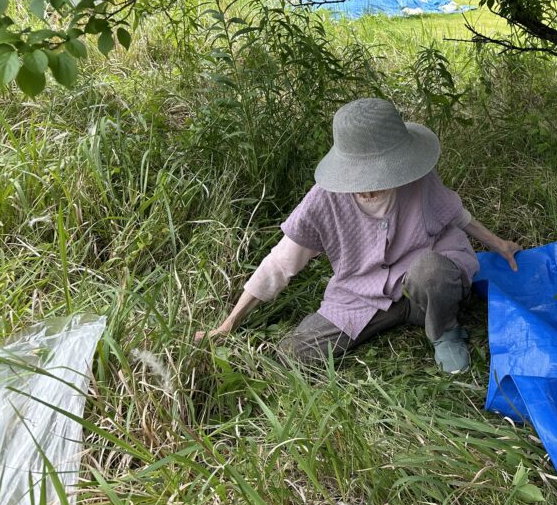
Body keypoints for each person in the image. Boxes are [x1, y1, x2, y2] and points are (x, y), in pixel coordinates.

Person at [194, 97, 520, 373]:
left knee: (431, 272)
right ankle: (394, 316)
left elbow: (456, 215)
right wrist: (228, 324)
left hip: (424, 283)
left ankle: (444, 330)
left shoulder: (418, 179)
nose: (367, 187)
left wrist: (500, 245)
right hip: (361, 296)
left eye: (379, 173)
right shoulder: (323, 200)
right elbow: (280, 263)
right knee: (293, 353)